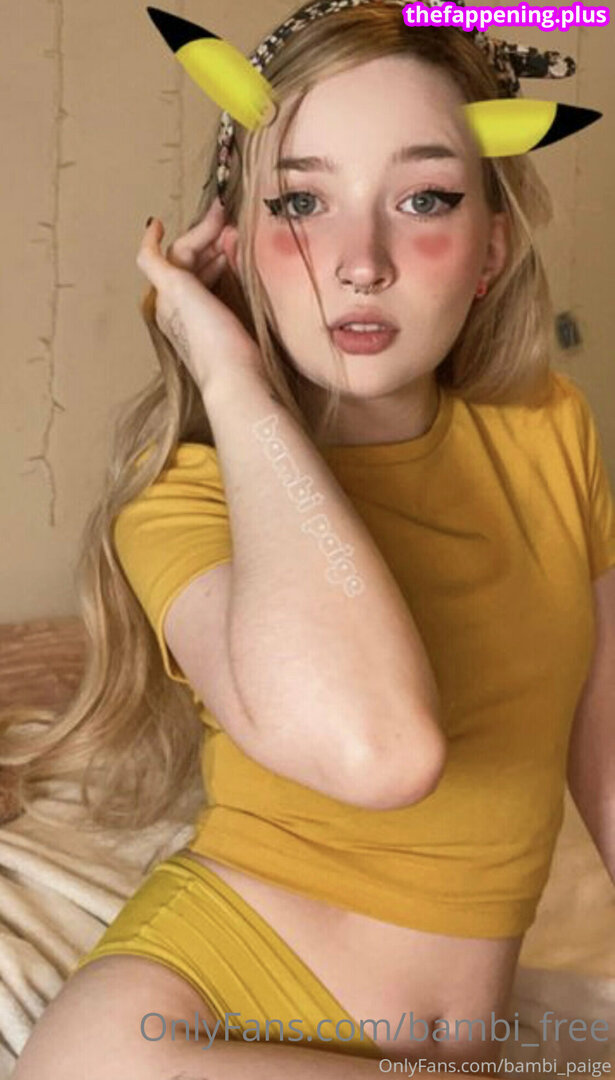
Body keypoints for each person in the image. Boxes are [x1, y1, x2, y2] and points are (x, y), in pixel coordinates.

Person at [7, 1, 615, 1077]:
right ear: (236, 247)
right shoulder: (183, 498)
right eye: (299, 203)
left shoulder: (550, 431)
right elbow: (383, 750)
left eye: (424, 199)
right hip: (190, 1026)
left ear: (490, 248)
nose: (361, 262)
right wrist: (228, 372)